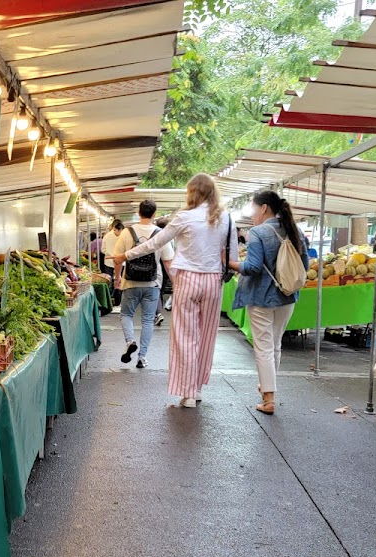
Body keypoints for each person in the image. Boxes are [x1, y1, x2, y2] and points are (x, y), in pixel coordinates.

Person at [114, 174, 238, 408]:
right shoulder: (227, 219)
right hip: (213, 281)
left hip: (188, 280)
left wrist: (126, 255)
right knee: (207, 336)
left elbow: (155, 242)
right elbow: (231, 259)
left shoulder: (185, 217)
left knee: (185, 336)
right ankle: (198, 387)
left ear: (192, 192)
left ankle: (187, 392)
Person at [231, 191, 309, 415]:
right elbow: (305, 263)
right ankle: (268, 388)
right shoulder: (295, 230)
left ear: (264, 208)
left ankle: (268, 399)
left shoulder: (258, 232)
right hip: (287, 295)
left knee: (263, 347)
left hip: (261, 297)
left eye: (254, 209)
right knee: (275, 344)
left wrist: (233, 264)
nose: (253, 214)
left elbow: (253, 267)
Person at [114, 199, 175, 369]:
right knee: (148, 320)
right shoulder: (160, 234)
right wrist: (176, 284)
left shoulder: (127, 232)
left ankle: (130, 341)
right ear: (154, 214)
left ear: (139, 212)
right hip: (153, 283)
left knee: (126, 314)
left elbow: (118, 258)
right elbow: (168, 262)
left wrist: (117, 279)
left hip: (130, 282)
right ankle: (142, 357)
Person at [101, 220, 124, 307]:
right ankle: (118, 301)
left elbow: (103, 250)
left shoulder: (106, 236)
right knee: (119, 281)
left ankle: (109, 302)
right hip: (120, 262)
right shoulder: (123, 236)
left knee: (109, 281)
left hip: (109, 262)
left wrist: (110, 254)